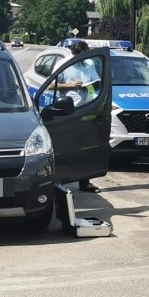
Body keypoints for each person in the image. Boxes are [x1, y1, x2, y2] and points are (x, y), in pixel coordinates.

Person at [51, 41, 103, 193]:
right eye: (80, 57)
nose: (83, 60)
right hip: (67, 111)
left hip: (86, 109)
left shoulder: (89, 64)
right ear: (73, 53)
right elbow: (50, 85)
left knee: (84, 148)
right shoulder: (63, 64)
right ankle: (59, 182)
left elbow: (97, 83)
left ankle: (84, 183)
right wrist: (71, 86)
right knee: (65, 147)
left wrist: (93, 86)